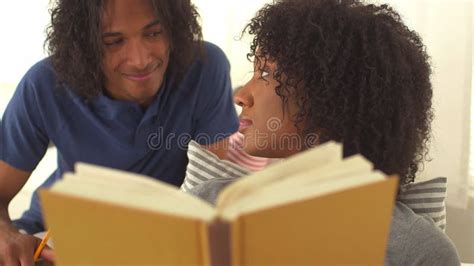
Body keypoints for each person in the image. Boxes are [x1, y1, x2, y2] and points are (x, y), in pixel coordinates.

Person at [188, 0, 461, 264]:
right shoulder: (207, 206)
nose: (242, 95)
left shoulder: (417, 252)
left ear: (328, 97)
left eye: (267, 74)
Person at [0, 0, 238, 263]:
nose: (140, 60)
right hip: (54, 236)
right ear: (84, 45)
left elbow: (214, 190)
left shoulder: (205, 68)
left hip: (156, 242)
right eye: (113, 42)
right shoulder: (44, 84)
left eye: (154, 33)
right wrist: (5, 234)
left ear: (174, 28)